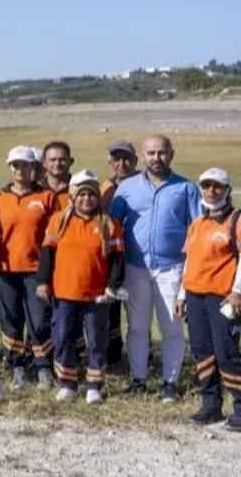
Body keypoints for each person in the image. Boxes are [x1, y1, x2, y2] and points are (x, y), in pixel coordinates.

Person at [109, 135, 201, 401]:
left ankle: (169, 382)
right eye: (151, 153)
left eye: (162, 153)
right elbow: (112, 226)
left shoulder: (186, 188)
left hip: (171, 269)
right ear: (143, 156)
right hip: (136, 268)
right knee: (137, 327)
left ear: (171, 154)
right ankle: (138, 379)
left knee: (172, 328)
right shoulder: (127, 188)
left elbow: (197, 231)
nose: (156, 158)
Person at [36, 170, 126, 404]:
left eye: (91, 194)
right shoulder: (58, 220)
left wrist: (112, 287)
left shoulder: (109, 223)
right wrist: (43, 281)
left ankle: (94, 385)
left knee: (96, 339)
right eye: (81, 194)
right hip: (65, 291)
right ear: (73, 197)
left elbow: (117, 259)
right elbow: (47, 253)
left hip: (97, 295)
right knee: (63, 335)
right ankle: (67, 383)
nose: (87, 199)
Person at [175, 168, 241, 431]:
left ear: (227, 190)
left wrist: (238, 292)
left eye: (217, 186)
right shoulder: (197, 224)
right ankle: (210, 404)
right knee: (202, 351)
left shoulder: (236, 220)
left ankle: (239, 408)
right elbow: (189, 260)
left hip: (223, 298)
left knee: (227, 352)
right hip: (195, 296)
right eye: (206, 186)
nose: (211, 191)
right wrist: (181, 295)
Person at [0, 145, 57, 390]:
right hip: (6, 269)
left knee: (39, 321)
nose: (20, 170)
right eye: (15, 165)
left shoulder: (46, 197)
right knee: (10, 319)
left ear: (33, 168)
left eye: (25, 165)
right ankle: (17, 366)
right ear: (10, 168)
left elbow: (55, 234)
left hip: (37, 270)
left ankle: (42, 366)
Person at [100, 139, 140, 365]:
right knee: (111, 307)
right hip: (113, 258)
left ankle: (141, 355)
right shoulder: (104, 187)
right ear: (110, 162)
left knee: (138, 311)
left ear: (135, 161)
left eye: (126, 159)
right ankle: (113, 354)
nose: (122, 164)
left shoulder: (145, 183)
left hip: (138, 257)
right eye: (116, 159)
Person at [41, 141, 75, 208]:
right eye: (52, 160)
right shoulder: (36, 189)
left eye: (62, 160)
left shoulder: (80, 190)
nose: (57, 164)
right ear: (44, 163)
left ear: (71, 161)